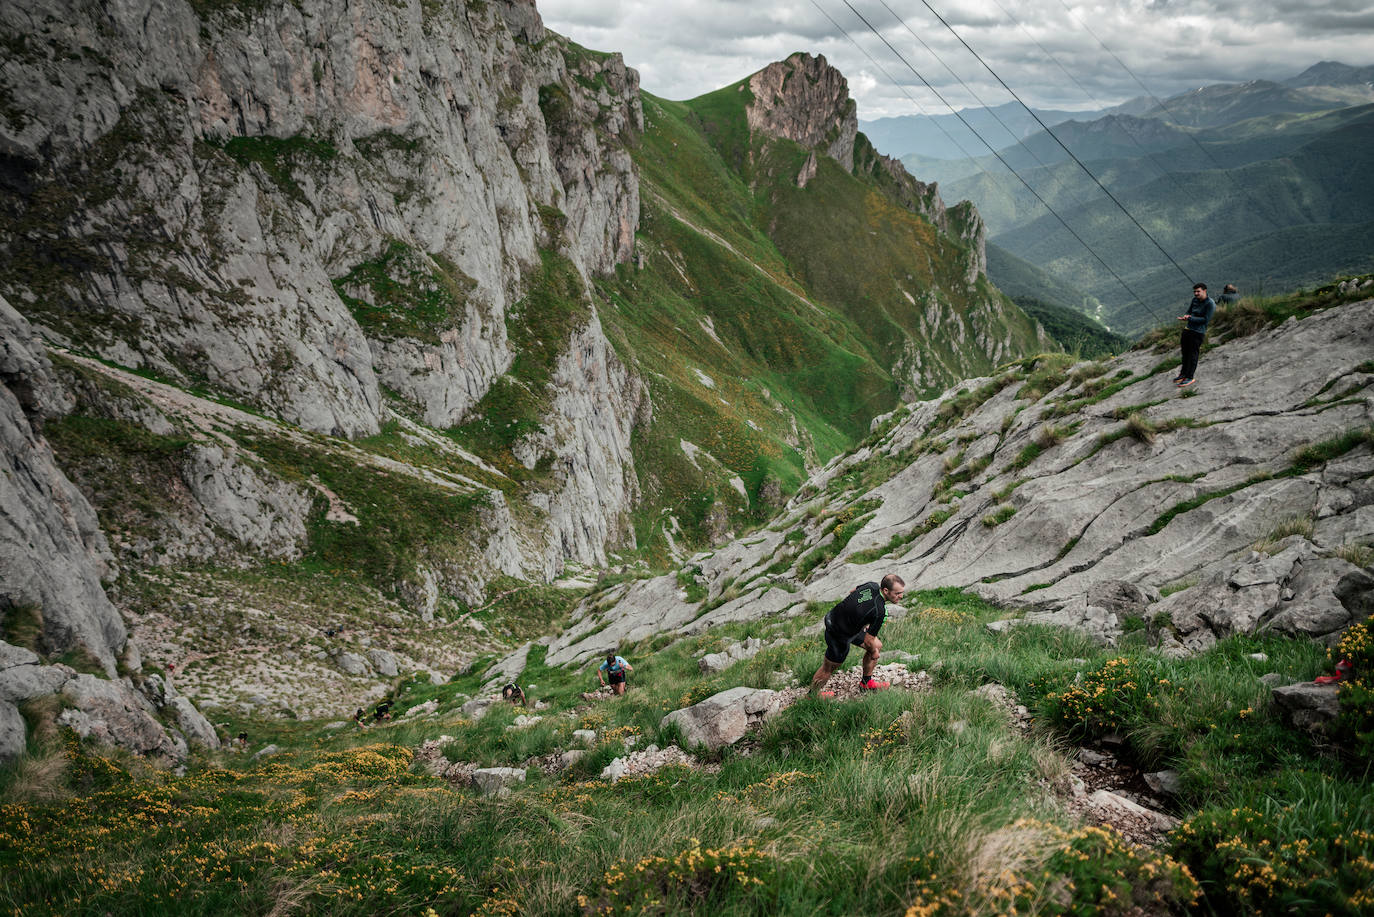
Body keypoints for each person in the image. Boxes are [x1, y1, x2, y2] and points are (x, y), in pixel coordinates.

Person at [811, 574, 906, 697]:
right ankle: (811, 695)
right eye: (897, 593)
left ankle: (866, 683)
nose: (901, 596)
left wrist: (859, 617)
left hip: (839, 619)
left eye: (902, 592)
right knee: (829, 667)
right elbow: (868, 642)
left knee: (877, 645)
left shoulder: (871, 585)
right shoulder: (880, 611)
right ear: (886, 590)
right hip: (839, 632)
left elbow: (853, 592)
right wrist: (873, 653)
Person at [1174, 283, 1216, 388]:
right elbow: (1190, 311)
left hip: (1198, 332)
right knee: (1185, 353)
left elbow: (1205, 320)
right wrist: (1186, 316)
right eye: (1195, 292)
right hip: (1188, 329)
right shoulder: (1195, 300)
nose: (1196, 294)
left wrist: (1190, 318)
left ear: (1205, 291)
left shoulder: (1210, 303)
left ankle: (1190, 377)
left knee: (1193, 355)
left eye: (1198, 291)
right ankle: (1183, 374)